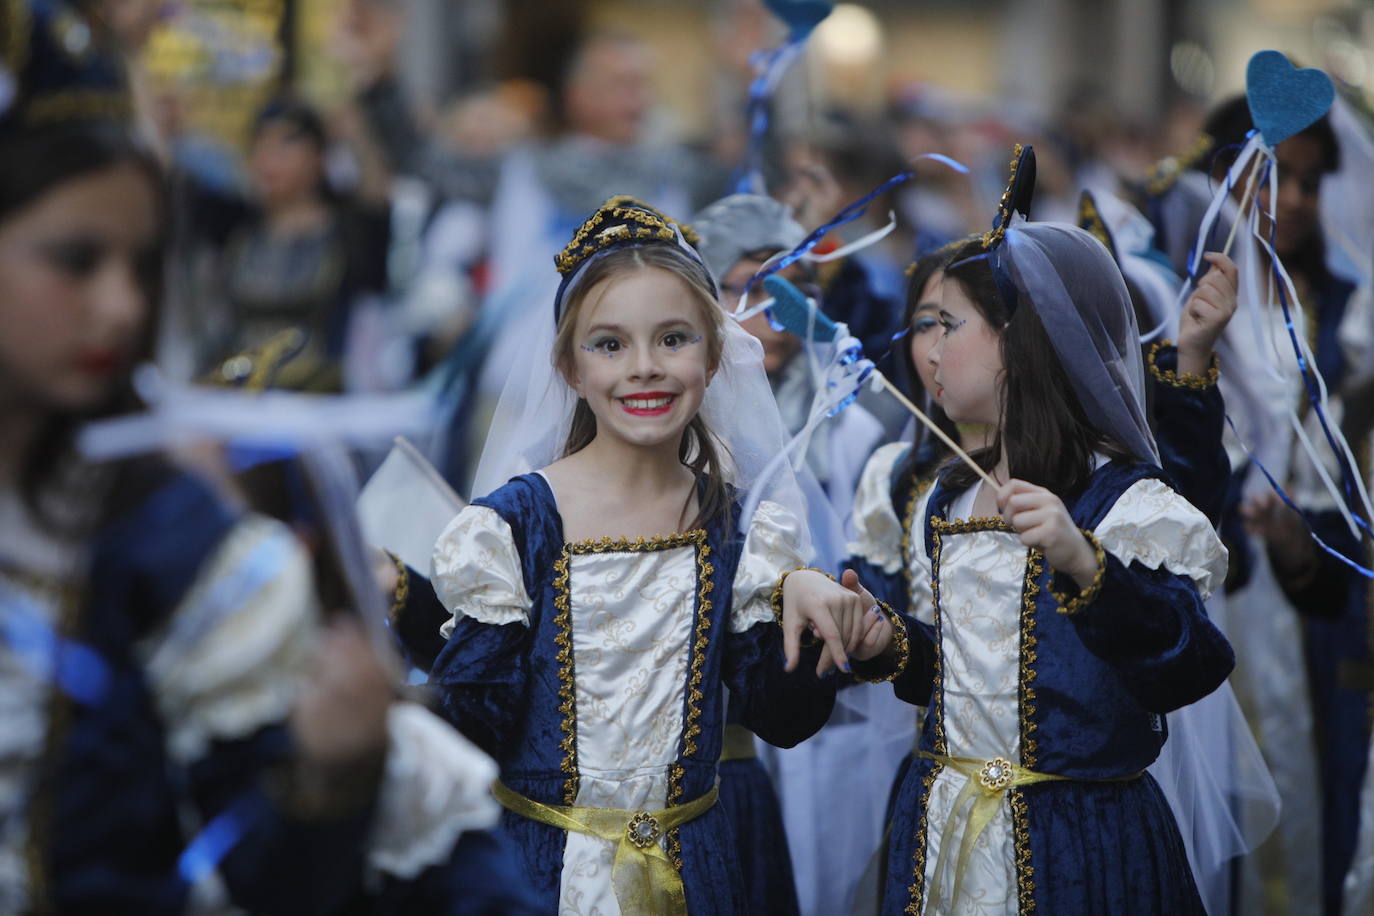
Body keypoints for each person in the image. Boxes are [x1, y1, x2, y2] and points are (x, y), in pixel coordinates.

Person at [0, 3, 533, 911]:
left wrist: (332, 775)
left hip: (302, 424)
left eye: (141, 264)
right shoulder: (238, 222)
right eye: (77, 259)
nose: (123, 306)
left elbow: (274, 873)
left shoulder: (180, 544)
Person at [427, 197, 883, 914]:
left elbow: (781, 717)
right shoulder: (514, 526)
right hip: (547, 876)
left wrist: (825, 631)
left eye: (674, 339)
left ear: (715, 351)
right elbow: (471, 724)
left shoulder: (738, 527)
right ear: (569, 368)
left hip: (695, 873)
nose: (645, 368)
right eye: (609, 345)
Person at [850, 186, 1234, 912]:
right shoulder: (949, 494)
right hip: (949, 829)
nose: (926, 350)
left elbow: (1192, 663)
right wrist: (885, 640)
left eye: (948, 325)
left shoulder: (1123, 503)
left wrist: (1086, 564)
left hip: (1081, 843)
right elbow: (962, 672)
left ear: (1019, 342)